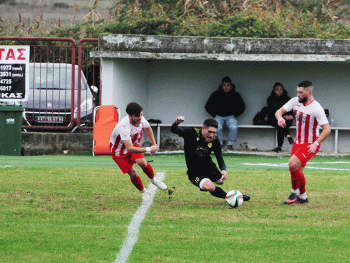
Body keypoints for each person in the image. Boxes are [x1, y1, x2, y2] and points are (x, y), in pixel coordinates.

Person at [170, 116, 250, 204]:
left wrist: (223, 169)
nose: (211, 135)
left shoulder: (215, 139)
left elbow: (220, 157)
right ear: (203, 128)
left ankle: (209, 184)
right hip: (195, 172)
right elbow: (173, 129)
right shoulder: (191, 132)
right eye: (210, 132)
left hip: (209, 167)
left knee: (221, 181)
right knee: (210, 187)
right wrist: (177, 122)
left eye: (214, 132)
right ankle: (232, 197)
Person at [275, 81, 331, 204]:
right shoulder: (295, 101)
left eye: (301, 92)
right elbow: (278, 112)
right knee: (297, 171)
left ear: (309, 92)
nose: (298, 94)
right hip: (297, 142)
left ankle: (294, 192)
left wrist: (316, 144)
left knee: (292, 164)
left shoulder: (316, 108)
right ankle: (303, 197)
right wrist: (280, 119)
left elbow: (327, 129)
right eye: (297, 92)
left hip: (310, 144)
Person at [109, 102, 167, 201]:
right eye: (137, 116)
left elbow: (148, 128)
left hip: (133, 144)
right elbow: (130, 148)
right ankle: (143, 191)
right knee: (133, 174)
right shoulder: (123, 126)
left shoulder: (141, 119)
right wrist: (149, 149)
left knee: (142, 163)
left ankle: (154, 180)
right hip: (119, 151)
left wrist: (153, 143)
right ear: (130, 116)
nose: (140, 118)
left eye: (141, 114)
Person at [205, 76, 245, 150]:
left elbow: (242, 107)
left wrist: (234, 114)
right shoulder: (216, 94)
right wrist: (215, 114)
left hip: (230, 117)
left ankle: (230, 144)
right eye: (224, 85)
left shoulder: (235, 95)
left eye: (228, 85)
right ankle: (220, 143)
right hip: (219, 117)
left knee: (233, 127)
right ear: (222, 85)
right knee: (218, 127)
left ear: (231, 86)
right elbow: (207, 106)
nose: (226, 87)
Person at [267, 82, 294, 153]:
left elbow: (291, 110)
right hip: (273, 119)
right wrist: (281, 117)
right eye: (277, 89)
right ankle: (287, 135)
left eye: (281, 89)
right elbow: (272, 112)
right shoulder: (270, 99)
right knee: (280, 123)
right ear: (274, 91)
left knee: (282, 123)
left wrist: (290, 115)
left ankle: (279, 147)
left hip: (286, 120)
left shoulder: (287, 98)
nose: (279, 91)